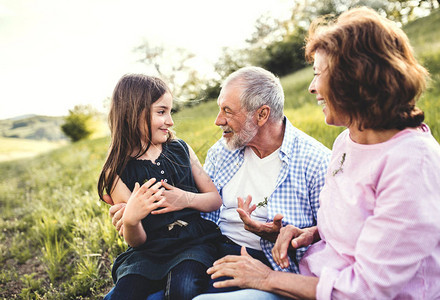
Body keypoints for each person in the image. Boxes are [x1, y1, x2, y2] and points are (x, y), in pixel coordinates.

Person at [196, 7, 440, 300]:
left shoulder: (413, 164)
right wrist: (307, 233)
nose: (312, 87)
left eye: (318, 74)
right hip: (312, 278)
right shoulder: (347, 142)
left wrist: (267, 278)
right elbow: (348, 228)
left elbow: (366, 290)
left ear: (354, 79)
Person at [108, 66, 331, 296]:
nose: (217, 120)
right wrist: (132, 217)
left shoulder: (315, 162)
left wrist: (278, 234)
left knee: (188, 293)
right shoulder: (222, 151)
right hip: (211, 248)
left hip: (266, 261)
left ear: (262, 115)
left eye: (227, 110)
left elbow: (333, 237)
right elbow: (197, 210)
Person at [97, 74, 223, 300]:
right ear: (133, 113)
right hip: (148, 253)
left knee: (183, 289)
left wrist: (186, 199)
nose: (171, 121)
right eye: (161, 112)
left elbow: (214, 199)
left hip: (191, 243)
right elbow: (136, 241)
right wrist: (131, 220)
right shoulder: (115, 170)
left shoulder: (180, 150)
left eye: (170, 112)